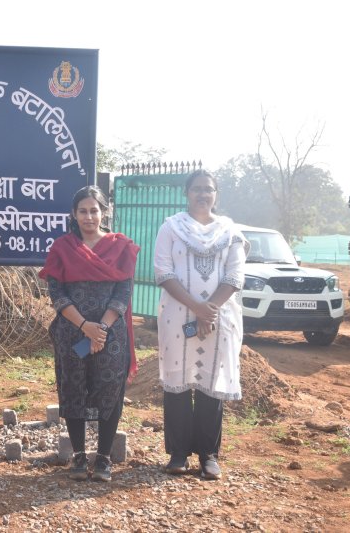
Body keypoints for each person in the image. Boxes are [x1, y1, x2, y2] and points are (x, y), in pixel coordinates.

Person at [38, 185, 140, 482]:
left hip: (111, 335)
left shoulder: (121, 247)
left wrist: (101, 330)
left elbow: (123, 293)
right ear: (73, 214)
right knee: (74, 388)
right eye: (82, 211)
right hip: (72, 333)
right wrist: (85, 326)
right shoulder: (62, 248)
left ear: (103, 212)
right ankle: (80, 457)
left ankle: (104, 458)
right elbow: (57, 294)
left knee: (110, 390)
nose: (88, 217)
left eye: (94, 210)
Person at [153, 169, 248, 480]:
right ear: (187, 193)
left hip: (219, 318)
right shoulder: (171, 228)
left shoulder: (230, 231)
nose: (203, 194)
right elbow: (163, 272)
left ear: (216, 194)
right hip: (177, 317)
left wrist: (210, 311)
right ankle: (178, 454)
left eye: (208, 189)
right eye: (197, 189)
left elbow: (235, 274)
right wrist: (197, 308)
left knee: (211, 383)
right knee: (177, 383)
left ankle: (209, 455)